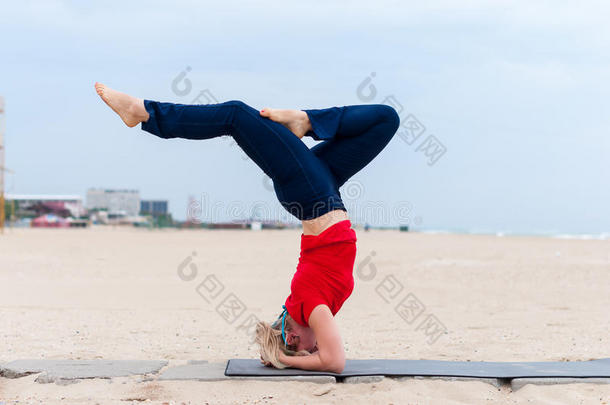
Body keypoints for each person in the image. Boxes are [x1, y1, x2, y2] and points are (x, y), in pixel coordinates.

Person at [94, 82, 399, 373]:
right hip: (323, 191)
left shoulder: (311, 307)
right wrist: (291, 356)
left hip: (312, 196)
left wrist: (286, 360)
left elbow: (334, 362)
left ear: (293, 339)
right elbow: (328, 356)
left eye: (310, 348)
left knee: (235, 114)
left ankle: (143, 112)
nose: (317, 345)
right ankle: (307, 122)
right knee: (386, 120)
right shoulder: (306, 304)